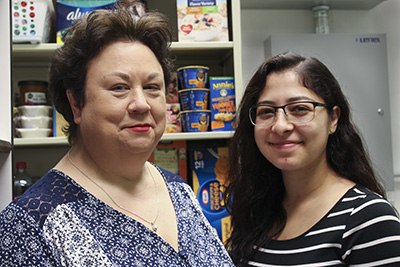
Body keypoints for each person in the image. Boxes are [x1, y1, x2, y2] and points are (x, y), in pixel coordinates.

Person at [0, 6, 234, 266]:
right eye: (119, 87)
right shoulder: (30, 223)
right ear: (76, 103)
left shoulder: (179, 191)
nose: (141, 104)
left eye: (152, 87)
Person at [225, 52, 400, 266]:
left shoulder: (369, 219)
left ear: (333, 119)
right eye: (267, 112)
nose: (280, 125)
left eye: (299, 109)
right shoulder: (257, 210)